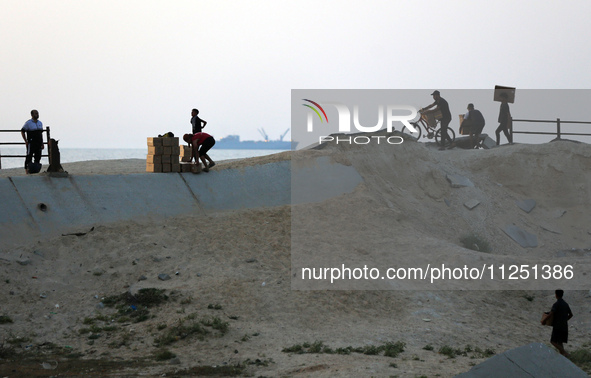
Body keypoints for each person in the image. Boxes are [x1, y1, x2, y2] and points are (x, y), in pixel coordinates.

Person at [543, 289, 573, 357]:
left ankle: (565, 353)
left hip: (557, 326)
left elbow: (551, 314)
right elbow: (571, 315)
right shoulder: (566, 304)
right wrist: (565, 320)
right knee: (560, 342)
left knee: (553, 341)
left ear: (556, 295)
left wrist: (544, 320)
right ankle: (562, 356)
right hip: (564, 326)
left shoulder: (556, 304)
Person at [20, 109, 44, 174]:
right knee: (29, 156)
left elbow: (40, 134)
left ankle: (35, 170)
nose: (37, 115)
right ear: (32, 115)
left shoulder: (40, 123)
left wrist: (42, 143)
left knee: (38, 156)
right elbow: (22, 131)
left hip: (38, 143)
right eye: (36, 113)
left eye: (37, 113)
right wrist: (26, 141)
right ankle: (27, 170)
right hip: (31, 142)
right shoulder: (28, 123)